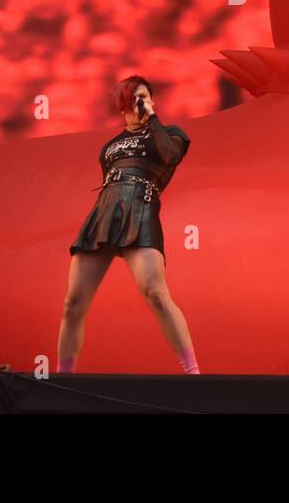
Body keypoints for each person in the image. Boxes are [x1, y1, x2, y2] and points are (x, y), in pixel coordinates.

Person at [59, 75, 198, 374]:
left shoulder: (170, 134)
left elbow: (170, 156)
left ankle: (193, 374)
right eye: (136, 98)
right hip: (104, 211)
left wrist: (153, 117)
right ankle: (63, 377)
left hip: (141, 205)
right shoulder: (111, 145)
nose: (142, 102)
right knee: (72, 303)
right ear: (123, 105)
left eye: (146, 96)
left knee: (157, 294)